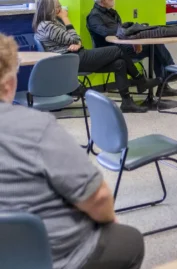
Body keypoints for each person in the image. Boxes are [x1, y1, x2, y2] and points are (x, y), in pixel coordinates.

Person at [0, 33, 145, 269]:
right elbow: (98, 198)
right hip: (57, 257)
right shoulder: (36, 128)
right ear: (9, 84)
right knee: (128, 239)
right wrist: (109, 224)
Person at [33, 0, 159, 113]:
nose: (61, 9)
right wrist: (66, 19)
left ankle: (127, 102)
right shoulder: (48, 26)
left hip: (75, 56)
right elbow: (74, 38)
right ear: (50, 9)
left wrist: (77, 42)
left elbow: (76, 39)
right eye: (58, 7)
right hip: (72, 59)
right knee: (117, 50)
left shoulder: (49, 24)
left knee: (119, 63)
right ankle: (140, 80)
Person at [86, 0, 177, 97]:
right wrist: (132, 39)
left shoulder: (112, 13)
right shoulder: (93, 17)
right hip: (108, 52)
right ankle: (169, 72)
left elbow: (121, 33)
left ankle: (164, 85)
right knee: (154, 46)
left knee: (154, 46)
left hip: (123, 47)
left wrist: (135, 41)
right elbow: (108, 33)